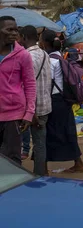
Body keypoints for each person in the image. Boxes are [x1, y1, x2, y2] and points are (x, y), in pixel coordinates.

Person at [41, 29, 83, 172]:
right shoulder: (60, 57)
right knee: (68, 130)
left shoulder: (50, 61)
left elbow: (47, 83)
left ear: (44, 43)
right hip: (64, 100)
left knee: (47, 133)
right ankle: (78, 162)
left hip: (54, 100)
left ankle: (43, 167)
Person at [0, 17, 35, 165]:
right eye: (9, 30)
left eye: (16, 30)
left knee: (12, 159)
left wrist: (29, 113)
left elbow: (30, 84)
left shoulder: (23, 55)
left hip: (13, 115)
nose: (14, 33)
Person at [20, 26, 52, 175]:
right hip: (45, 105)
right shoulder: (44, 54)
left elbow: (27, 85)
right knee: (40, 144)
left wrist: (30, 112)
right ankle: (41, 174)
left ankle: (37, 174)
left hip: (31, 110)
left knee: (20, 143)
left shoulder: (27, 56)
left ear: (24, 37)